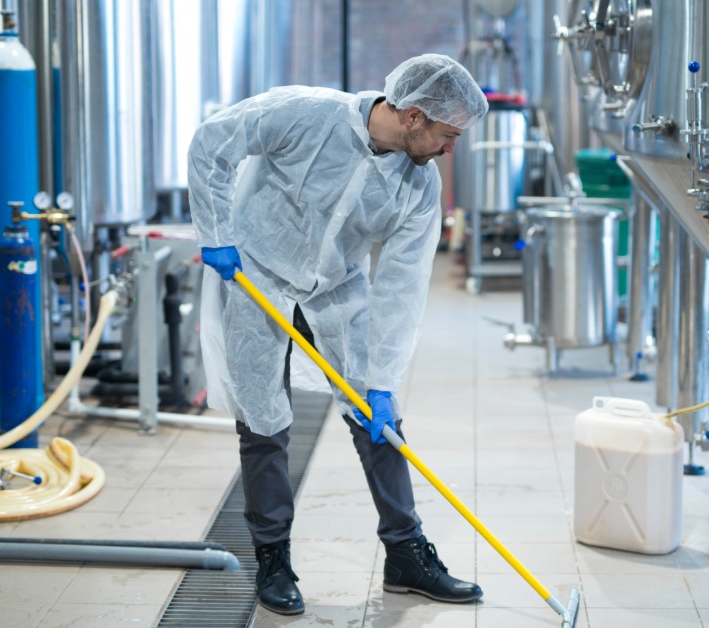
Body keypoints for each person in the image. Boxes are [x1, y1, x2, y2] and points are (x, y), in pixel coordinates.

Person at [187, 54, 489, 616]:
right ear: (415, 116)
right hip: (258, 273)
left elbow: (402, 288)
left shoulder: (420, 186)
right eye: (449, 136)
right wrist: (216, 233)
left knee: (380, 422)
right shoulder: (304, 113)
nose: (451, 149)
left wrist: (384, 380)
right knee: (263, 423)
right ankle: (272, 558)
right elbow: (213, 143)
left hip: (335, 289)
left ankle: (406, 556)